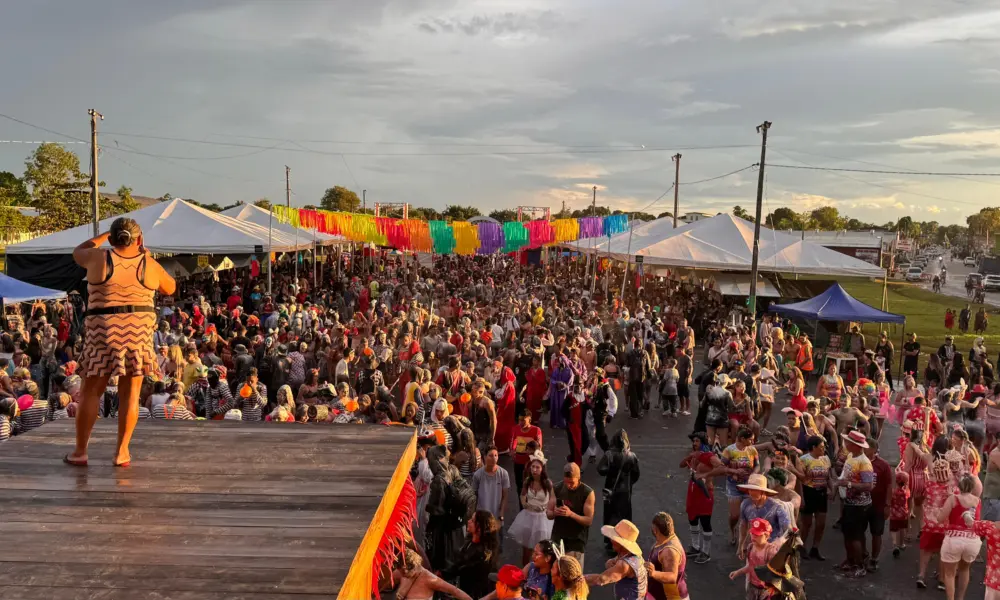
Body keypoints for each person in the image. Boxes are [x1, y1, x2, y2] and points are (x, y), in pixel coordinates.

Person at [66, 217, 176, 467]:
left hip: (102, 331)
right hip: (137, 333)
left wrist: (105, 235)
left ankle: (80, 452)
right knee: (130, 393)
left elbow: (78, 251)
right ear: (139, 239)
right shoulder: (149, 264)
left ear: (113, 238)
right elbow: (170, 287)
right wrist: (145, 255)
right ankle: (122, 452)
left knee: (91, 391)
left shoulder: (98, 258)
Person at [832, 430, 875, 578]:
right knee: (847, 534)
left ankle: (860, 565)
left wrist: (848, 484)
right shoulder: (851, 456)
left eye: (848, 442)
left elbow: (869, 486)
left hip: (859, 506)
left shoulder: (864, 463)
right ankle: (850, 560)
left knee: (855, 536)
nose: (846, 444)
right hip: (849, 502)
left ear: (856, 445)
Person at [937, 473, 982, 600]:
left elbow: (940, 519)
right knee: (964, 570)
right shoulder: (977, 501)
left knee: (950, 573)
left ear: (959, 486)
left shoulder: (953, 499)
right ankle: (960, 598)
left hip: (954, 539)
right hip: (972, 540)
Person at [441, 510, 500, 599]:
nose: (468, 521)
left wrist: (441, 574)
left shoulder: (482, 554)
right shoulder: (470, 541)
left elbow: (460, 568)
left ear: (479, 528)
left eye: (472, 521)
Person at [508, 451, 554, 566]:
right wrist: (525, 504)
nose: (534, 469)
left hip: (542, 519)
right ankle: (525, 573)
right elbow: (522, 494)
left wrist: (547, 508)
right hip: (528, 516)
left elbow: (553, 499)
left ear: (542, 468)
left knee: (540, 549)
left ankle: (538, 572)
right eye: (533, 466)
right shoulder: (528, 481)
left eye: (537, 467)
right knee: (526, 548)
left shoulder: (547, 483)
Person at [598, 430, 640, 552]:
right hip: (625, 491)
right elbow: (636, 474)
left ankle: (610, 541)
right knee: (623, 515)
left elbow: (600, 469)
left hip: (610, 489)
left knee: (610, 514)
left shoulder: (609, 455)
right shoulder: (631, 456)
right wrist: (628, 483)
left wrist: (610, 470)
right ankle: (624, 539)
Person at [585, 519, 648, 600]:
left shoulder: (625, 565)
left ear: (622, 543)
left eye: (614, 538)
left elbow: (601, 579)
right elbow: (610, 563)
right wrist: (610, 562)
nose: (611, 539)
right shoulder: (628, 554)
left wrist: (579, 579)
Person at [547, 462, 596, 564]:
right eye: (566, 482)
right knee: (556, 573)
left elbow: (589, 520)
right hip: (558, 536)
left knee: (573, 573)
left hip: (576, 540)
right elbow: (548, 514)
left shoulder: (587, 493)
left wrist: (571, 514)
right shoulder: (557, 488)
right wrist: (555, 512)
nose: (569, 486)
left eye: (572, 483)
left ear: (578, 478)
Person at [793, 435, 831, 561]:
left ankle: (815, 548)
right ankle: (801, 546)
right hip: (809, 492)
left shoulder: (826, 459)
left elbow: (828, 476)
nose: (823, 449)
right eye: (821, 447)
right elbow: (801, 480)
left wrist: (831, 489)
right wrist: (801, 498)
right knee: (807, 524)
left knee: (821, 523)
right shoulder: (803, 460)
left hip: (822, 493)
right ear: (813, 447)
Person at [681, 432, 717, 563]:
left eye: (697, 441)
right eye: (693, 441)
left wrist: (706, 474)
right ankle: (695, 547)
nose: (694, 444)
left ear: (703, 442)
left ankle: (706, 552)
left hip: (705, 492)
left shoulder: (710, 457)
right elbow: (681, 465)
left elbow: (722, 468)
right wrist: (689, 457)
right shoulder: (694, 454)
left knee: (705, 521)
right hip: (692, 492)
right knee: (693, 519)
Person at [737, 473, 791, 556]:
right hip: (754, 544)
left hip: (772, 545)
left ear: (763, 491)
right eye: (750, 489)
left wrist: (779, 542)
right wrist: (741, 545)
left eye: (755, 490)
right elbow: (743, 525)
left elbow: (788, 529)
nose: (751, 492)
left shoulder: (776, 507)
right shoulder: (745, 504)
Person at [391, 549, 473, 600]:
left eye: (406, 573)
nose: (404, 575)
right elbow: (381, 585)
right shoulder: (400, 573)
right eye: (402, 572)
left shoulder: (430, 579)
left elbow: (455, 591)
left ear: (415, 566)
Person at [728, 518, 779, 600]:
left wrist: (772, 589)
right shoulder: (751, 547)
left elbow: (777, 574)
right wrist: (738, 572)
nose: (753, 537)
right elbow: (751, 566)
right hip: (752, 586)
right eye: (752, 533)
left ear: (767, 536)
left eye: (757, 535)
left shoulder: (771, 552)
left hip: (766, 589)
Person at [646, 512, 689, 600]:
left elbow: (672, 577)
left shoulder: (669, 551)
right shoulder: (667, 538)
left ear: (655, 530)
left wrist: (653, 573)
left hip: (671, 597)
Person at [866, 435, 893, 573]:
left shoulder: (884, 465)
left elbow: (889, 486)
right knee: (859, 532)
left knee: (876, 533)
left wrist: (888, 505)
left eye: (868, 447)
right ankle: (863, 556)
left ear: (875, 449)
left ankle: (874, 559)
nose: (865, 449)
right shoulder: (858, 462)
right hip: (861, 504)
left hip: (878, 505)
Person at [472, 446, 510, 525]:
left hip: (496, 516)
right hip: (482, 515)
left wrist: (501, 515)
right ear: (485, 457)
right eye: (491, 455)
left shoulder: (503, 474)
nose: (494, 458)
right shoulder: (478, 475)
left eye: (496, 455)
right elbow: (474, 496)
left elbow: (505, 496)